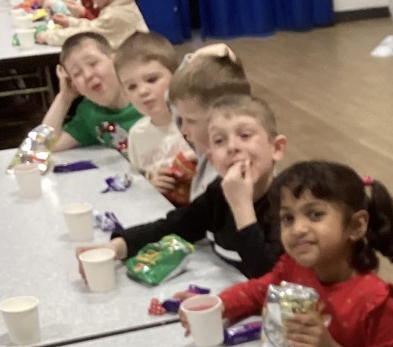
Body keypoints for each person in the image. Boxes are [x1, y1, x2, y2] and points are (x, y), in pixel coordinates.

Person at [205, 161, 393, 347]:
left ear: (356, 226)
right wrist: (217, 305)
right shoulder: (294, 267)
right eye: (288, 218)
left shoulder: (378, 302)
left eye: (315, 214)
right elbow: (258, 291)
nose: (298, 229)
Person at [80, 94, 285, 279]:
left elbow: (271, 278)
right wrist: (117, 247)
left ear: (276, 148)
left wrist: (241, 207)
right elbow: (176, 227)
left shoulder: (288, 207)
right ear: (212, 159)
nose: (232, 147)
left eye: (245, 135)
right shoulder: (217, 194)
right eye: (220, 140)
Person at [113, 32, 192, 201]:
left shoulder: (196, 124)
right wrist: (151, 182)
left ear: (176, 76)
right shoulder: (137, 134)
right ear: (125, 94)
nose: (142, 91)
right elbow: (137, 181)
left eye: (151, 79)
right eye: (132, 87)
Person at [167, 45, 251, 201]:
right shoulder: (207, 147)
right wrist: (193, 60)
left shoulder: (239, 177)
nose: (183, 130)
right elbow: (174, 100)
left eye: (190, 121)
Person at [40, 32, 142, 153]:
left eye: (93, 63)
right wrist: (64, 97)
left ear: (115, 59)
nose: (88, 75)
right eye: (77, 73)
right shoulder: (90, 113)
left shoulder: (147, 95)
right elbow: (44, 147)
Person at [38, 0, 148, 48]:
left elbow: (86, 35)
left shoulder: (117, 15)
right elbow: (95, 26)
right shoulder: (121, 7)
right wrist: (70, 22)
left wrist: (46, 36)